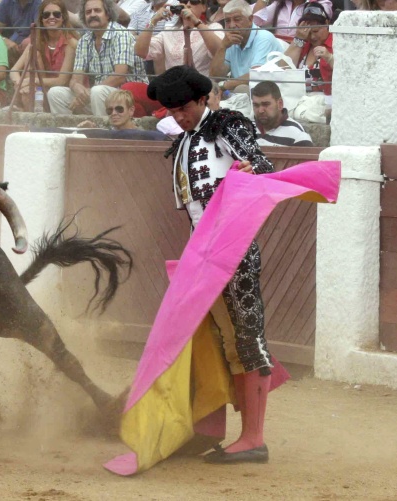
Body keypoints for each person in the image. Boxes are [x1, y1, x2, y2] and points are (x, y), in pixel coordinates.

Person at [147, 65, 275, 464]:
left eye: (184, 107)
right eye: (171, 110)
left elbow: (263, 167)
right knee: (204, 339)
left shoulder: (225, 123)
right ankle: (206, 430)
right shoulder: (184, 141)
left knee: (246, 338)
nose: (178, 115)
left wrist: (248, 172)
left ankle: (253, 438)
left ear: (203, 99)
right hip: (200, 252)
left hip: (235, 249)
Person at [47, 0, 148, 116]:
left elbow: (119, 76)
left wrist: (89, 93)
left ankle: (102, 132)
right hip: (98, 95)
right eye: (88, 12)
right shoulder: (85, 40)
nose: (92, 15)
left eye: (97, 11)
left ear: (108, 14)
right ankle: (73, 132)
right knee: (55, 93)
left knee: (97, 91)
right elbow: (76, 78)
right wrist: (77, 89)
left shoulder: (121, 34)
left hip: (127, 97)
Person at [9, 0, 78, 110]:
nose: (51, 17)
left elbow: (62, 81)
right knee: (33, 53)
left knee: (32, 88)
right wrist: (20, 83)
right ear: (41, 19)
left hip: (60, 93)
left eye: (56, 14)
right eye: (46, 15)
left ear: (63, 17)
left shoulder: (71, 43)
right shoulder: (37, 41)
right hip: (39, 90)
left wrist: (32, 81)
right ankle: (28, 118)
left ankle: (24, 109)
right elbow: (14, 70)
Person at [209, 0, 284, 94]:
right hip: (239, 93)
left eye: (237, 19)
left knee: (241, 89)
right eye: (227, 21)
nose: (232, 25)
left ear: (250, 19)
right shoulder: (230, 40)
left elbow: (255, 75)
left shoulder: (263, 38)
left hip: (266, 93)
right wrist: (222, 47)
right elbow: (215, 76)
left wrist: (223, 86)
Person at [283, 2, 333, 96]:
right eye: (308, 33)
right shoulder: (303, 44)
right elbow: (284, 69)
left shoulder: (336, 43)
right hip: (298, 97)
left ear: (326, 23)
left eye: (315, 31)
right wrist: (298, 39)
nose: (313, 37)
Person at [251, 80, 313, 147]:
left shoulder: (297, 136)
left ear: (280, 104)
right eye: (256, 105)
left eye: (266, 104)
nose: (260, 110)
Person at [252, 0, 332, 40]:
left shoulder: (321, 3)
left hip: (303, 49)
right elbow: (256, 21)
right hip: (277, 49)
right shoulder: (279, 4)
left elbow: (320, 21)